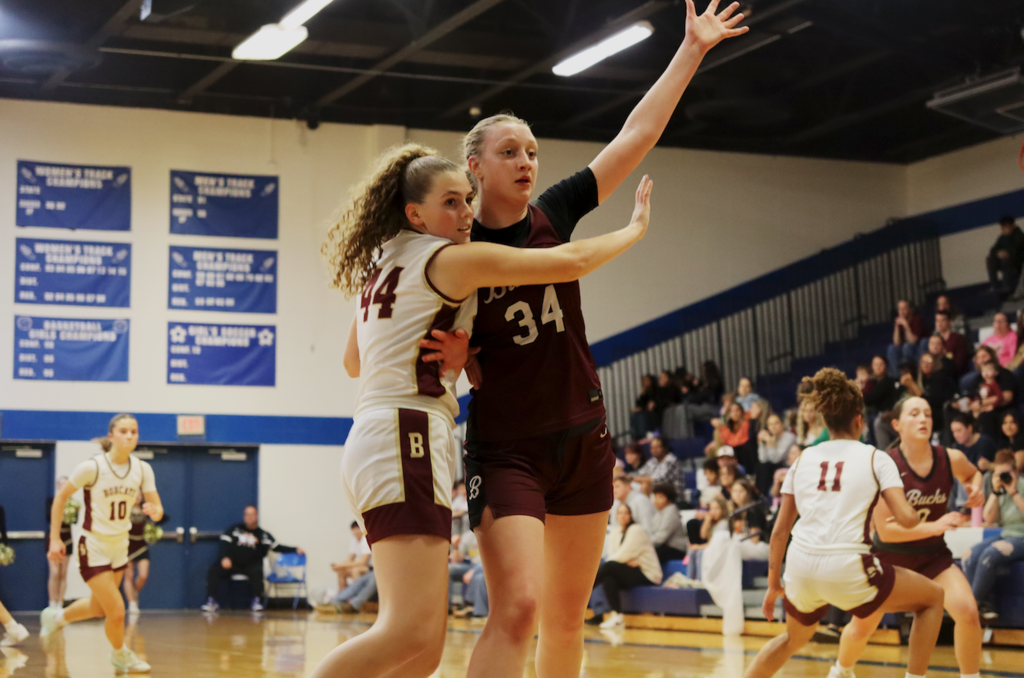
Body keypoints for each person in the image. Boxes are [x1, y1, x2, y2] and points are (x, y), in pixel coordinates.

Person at [444, 4, 749, 674]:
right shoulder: (454, 252)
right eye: (509, 153)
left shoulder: (554, 212)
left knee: (563, 619)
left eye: (531, 152)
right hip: (506, 448)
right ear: (475, 167)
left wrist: (691, 51)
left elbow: (633, 136)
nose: (525, 162)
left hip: (582, 437)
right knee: (516, 610)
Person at [310, 144, 654, 678]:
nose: (466, 214)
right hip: (408, 435)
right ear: (415, 214)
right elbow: (570, 261)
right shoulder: (450, 257)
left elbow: (354, 360)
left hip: (374, 436)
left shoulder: (382, 259)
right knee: (408, 631)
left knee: (421, 653)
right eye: (451, 203)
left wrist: (455, 346)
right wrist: (633, 229)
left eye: (468, 201)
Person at [742, 369, 945, 678]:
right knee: (932, 599)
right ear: (859, 421)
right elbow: (906, 519)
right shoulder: (876, 457)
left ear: (824, 423)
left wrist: (773, 585)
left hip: (800, 566)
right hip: (848, 566)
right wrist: (919, 506)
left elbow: (780, 530)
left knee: (791, 640)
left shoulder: (803, 458)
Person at [832, 395, 986, 678]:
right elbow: (887, 530)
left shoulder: (950, 458)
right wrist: (937, 525)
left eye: (927, 414)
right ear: (897, 425)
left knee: (967, 611)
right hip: (890, 559)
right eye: (914, 414)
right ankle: (841, 671)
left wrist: (976, 489)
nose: (923, 419)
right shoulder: (882, 465)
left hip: (933, 557)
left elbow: (974, 474)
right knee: (861, 628)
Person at [41, 414, 162, 673]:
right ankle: (120, 654)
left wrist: (155, 510)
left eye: (134, 431)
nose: (130, 436)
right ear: (111, 436)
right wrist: (54, 538)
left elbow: (159, 509)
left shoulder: (143, 469)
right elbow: (60, 499)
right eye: (124, 431)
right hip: (92, 545)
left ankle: (56, 618)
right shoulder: (93, 467)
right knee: (117, 610)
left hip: (121, 545)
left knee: (98, 608)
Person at [201, 505, 303, 613]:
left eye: (252, 514)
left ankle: (257, 601)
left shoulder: (263, 535)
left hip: (251, 565)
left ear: (256, 516)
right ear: (244, 516)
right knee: (215, 569)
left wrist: (295, 549)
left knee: (258, 572)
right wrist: (224, 558)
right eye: (247, 514)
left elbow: (277, 547)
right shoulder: (234, 530)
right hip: (233, 564)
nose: (249, 517)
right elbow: (223, 544)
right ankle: (211, 600)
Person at [963, 450, 1024, 620]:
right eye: (998, 474)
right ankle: (984, 605)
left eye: (1006, 473)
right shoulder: (999, 489)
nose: (1003, 477)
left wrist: (1014, 493)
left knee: (991, 554)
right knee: (969, 554)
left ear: (1016, 472)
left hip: (1022, 536)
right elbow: (988, 518)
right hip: (1007, 534)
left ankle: (971, 607)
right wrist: (996, 493)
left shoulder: (1021, 486)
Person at [591, 504, 663, 629]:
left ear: (631, 516)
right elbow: (616, 556)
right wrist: (624, 561)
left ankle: (587, 586)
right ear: (616, 516)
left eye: (626, 513)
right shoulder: (615, 533)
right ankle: (617, 617)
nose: (623, 516)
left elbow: (622, 555)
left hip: (646, 573)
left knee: (609, 566)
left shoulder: (637, 529)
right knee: (609, 579)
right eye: (620, 513)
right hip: (630, 570)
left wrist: (623, 560)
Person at [45, 476, 78, 611]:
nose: (63, 486)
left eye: (66, 484)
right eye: (61, 484)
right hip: (54, 537)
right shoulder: (51, 501)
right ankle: (52, 602)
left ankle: (60, 603)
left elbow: (75, 521)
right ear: (57, 486)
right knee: (54, 572)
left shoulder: (73, 503)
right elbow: (48, 517)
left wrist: (70, 512)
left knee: (63, 573)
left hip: (67, 538)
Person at [123, 492, 152, 614]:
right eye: (135, 494)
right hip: (127, 545)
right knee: (128, 575)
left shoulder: (146, 510)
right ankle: (132, 603)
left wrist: (153, 531)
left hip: (141, 545)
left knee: (143, 575)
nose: (138, 497)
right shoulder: (125, 509)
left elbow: (162, 518)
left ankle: (135, 591)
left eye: (140, 495)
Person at [728, 478, 769, 560]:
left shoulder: (754, 511)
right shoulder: (735, 513)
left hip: (761, 547)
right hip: (745, 545)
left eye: (741, 491)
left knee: (734, 546)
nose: (737, 494)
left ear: (748, 493)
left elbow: (755, 540)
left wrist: (741, 536)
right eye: (735, 491)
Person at [757, 413, 796, 496]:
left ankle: (763, 496)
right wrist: (761, 443)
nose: (773, 426)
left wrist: (769, 443)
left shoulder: (789, 437)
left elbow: (776, 459)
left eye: (776, 423)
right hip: (775, 466)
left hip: (787, 466)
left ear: (782, 424)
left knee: (765, 468)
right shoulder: (771, 438)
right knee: (761, 466)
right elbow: (763, 459)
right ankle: (762, 496)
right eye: (770, 424)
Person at [649, 483, 688, 563]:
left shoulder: (671, 513)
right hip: (664, 546)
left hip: (676, 548)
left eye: (660, 497)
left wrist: (645, 543)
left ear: (668, 499)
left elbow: (661, 538)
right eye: (655, 497)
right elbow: (652, 532)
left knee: (651, 553)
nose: (656, 500)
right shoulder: (659, 513)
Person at [988, 215, 1024, 298]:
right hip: (1007, 260)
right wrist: (999, 253)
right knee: (991, 259)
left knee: (1006, 260)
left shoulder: (1019, 235)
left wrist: (1007, 253)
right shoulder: (1003, 237)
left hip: (1017, 262)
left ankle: (1007, 287)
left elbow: (1016, 250)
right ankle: (995, 286)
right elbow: (993, 250)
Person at [888, 300, 924, 377]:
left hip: (917, 348)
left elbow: (913, 341)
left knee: (907, 346)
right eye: (900, 309)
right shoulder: (900, 322)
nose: (902, 311)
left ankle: (911, 373)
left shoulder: (917, 319)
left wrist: (906, 325)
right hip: (904, 348)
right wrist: (897, 326)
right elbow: (896, 343)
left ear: (910, 309)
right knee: (891, 348)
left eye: (904, 308)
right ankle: (897, 377)